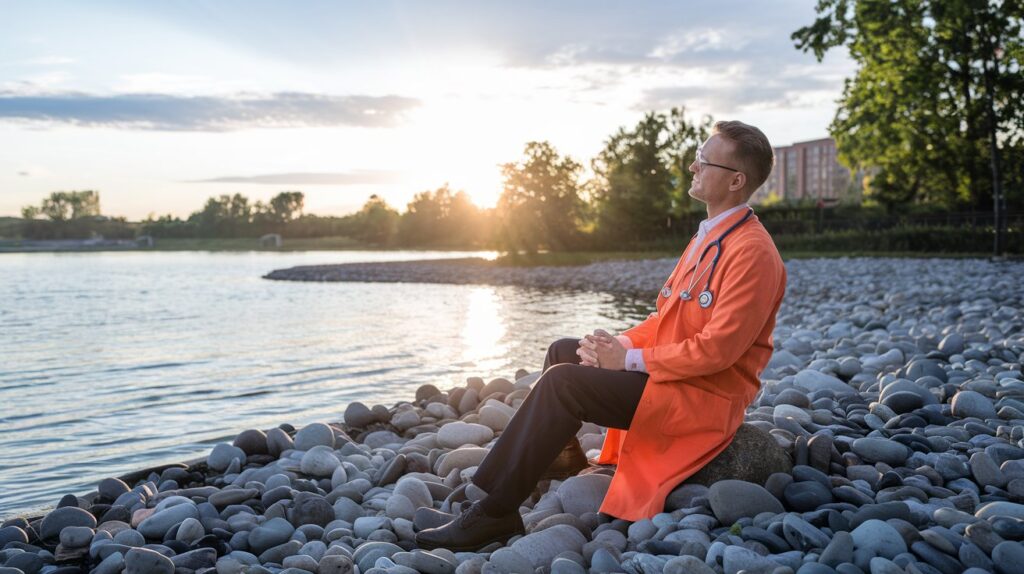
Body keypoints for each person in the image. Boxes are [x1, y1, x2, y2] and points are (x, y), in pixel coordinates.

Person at [416, 120, 788, 552]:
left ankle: (496, 513)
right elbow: (665, 317)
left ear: (736, 180)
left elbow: (717, 352)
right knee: (564, 351)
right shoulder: (708, 238)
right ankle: (561, 457)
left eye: (704, 161)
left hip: (702, 395)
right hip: (673, 375)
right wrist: (620, 344)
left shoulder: (754, 253)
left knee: (563, 383)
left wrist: (626, 363)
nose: (692, 166)